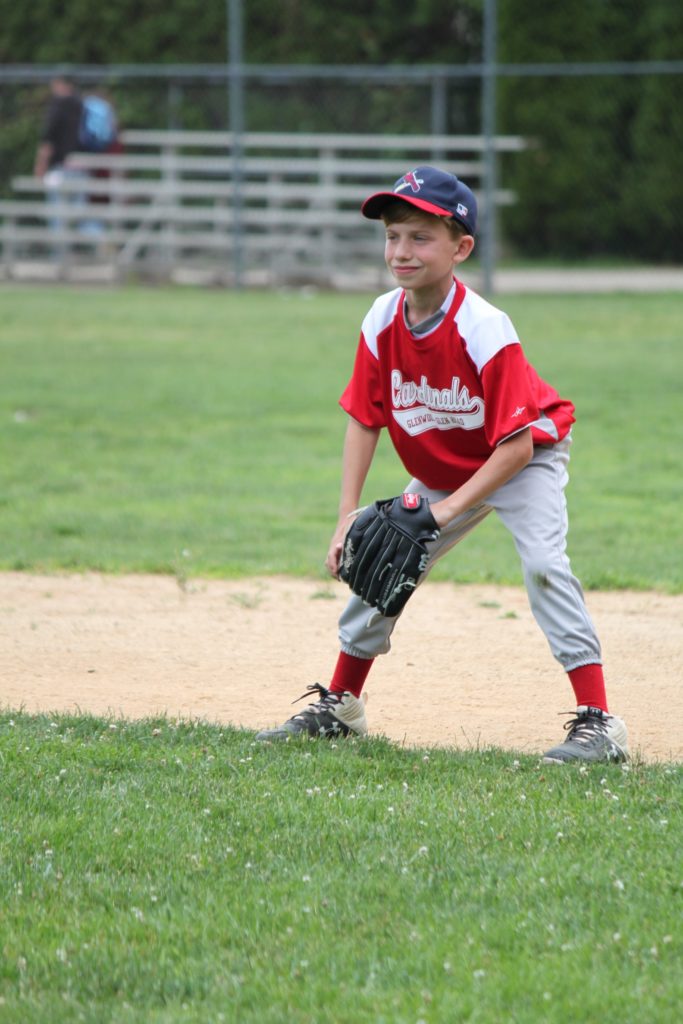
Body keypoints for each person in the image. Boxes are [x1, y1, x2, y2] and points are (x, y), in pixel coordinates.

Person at [256, 165, 628, 765]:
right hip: (445, 465)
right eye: (392, 236)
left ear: (461, 248)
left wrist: (443, 513)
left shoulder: (485, 328)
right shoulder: (381, 319)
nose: (401, 251)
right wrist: (347, 516)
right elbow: (365, 418)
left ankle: (600, 723)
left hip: (523, 459)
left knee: (544, 566)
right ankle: (343, 706)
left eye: (420, 238)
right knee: (380, 557)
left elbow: (517, 446)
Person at [33, 75, 86, 254]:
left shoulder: (57, 106)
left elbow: (48, 139)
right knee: (81, 213)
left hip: (61, 168)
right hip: (82, 166)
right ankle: (95, 247)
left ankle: (60, 256)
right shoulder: (82, 105)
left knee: (57, 214)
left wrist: (40, 165)